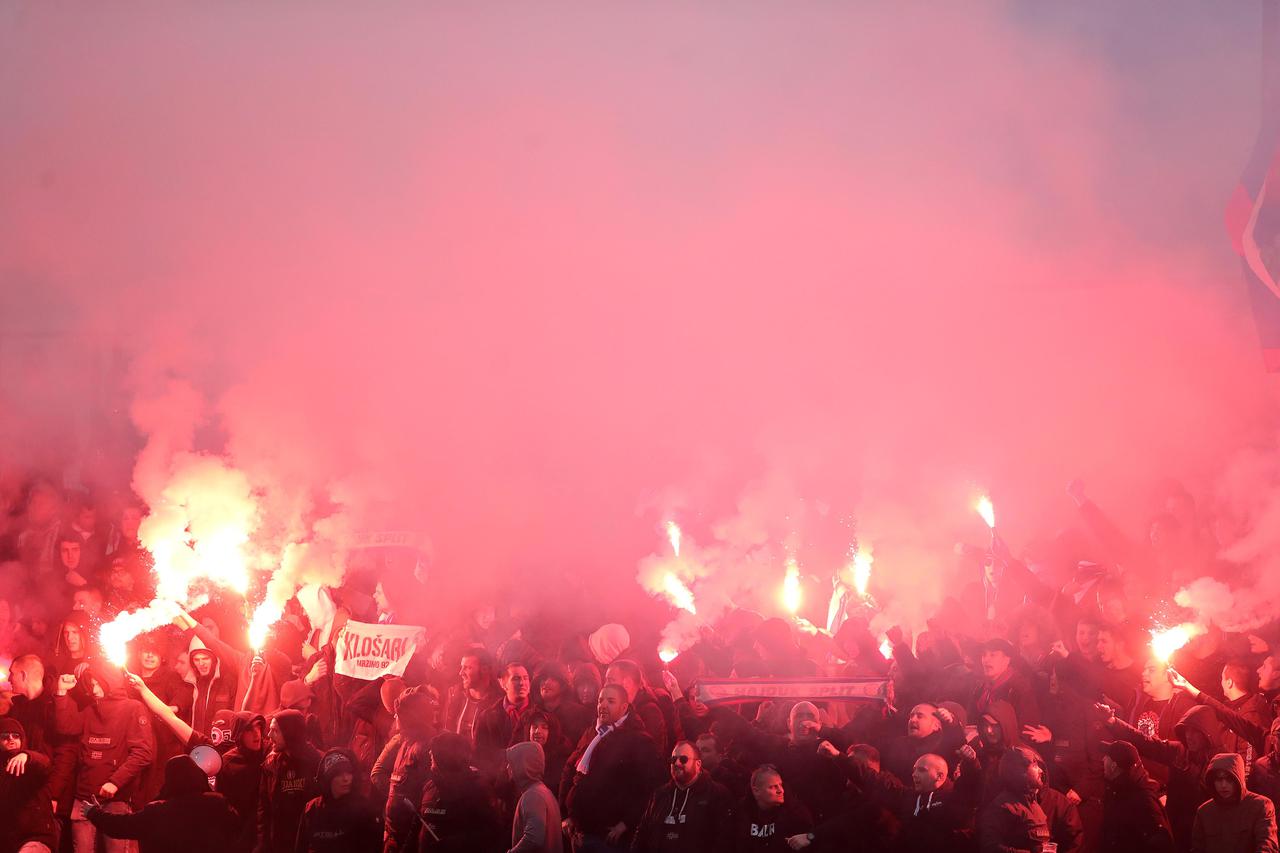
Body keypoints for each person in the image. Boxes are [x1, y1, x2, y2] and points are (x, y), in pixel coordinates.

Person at [53, 663, 155, 853]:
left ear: (110, 682)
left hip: (117, 800)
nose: (93, 689)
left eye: (98, 683)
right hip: (84, 797)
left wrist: (115, 782)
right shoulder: (91, 710)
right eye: (91, 684)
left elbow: (143, 753)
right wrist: (61, 693)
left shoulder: (133, 708)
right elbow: (65, 727)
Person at [563, 683, 665, 850]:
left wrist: (627, 823)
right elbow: (570, 771)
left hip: (611, 838)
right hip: (580, 832)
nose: (602, 705)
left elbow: (652, 788)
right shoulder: (592, 733)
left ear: (624, 707)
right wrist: (567, 814)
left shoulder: (639, 741)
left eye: (610, 701)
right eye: (600, 700)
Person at [86, 755, 238, 853]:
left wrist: (93, 812)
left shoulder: (157, 812)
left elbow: (120, 826)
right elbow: (236, 831)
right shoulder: (218, 804)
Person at [632, 741, 734, 853]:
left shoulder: (716, 794)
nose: (677, 763)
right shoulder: (660, 794)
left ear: (698, 764)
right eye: (673, 759)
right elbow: (643, 832)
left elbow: (724, 840)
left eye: (683, 759)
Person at [417, 731, 504, 851]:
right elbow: (417, 825)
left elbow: (491, 832)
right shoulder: (430, 786)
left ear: (446, 756)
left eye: (435, 750)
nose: (430, 753)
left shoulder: (476, 789)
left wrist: (452, 843)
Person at [255, 710, 322, 853]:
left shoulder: (317, 762)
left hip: (307, 844)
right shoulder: (271, 763)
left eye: (275, 731)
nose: (268, 735)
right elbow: (264, 809)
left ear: (290, 732)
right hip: (278, 845)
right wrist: (263, 844)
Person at [294, 748, 382, 853]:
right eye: (339, 774)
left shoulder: (363, 809)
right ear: (328, 778)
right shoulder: (312, 809)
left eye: (349, 773)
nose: (346, 779)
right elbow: (301, 847)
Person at [1191, 753, 1278, 853]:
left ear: (1238, 779)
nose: (1223, 785)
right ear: (1212, 781)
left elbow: (1268, 846)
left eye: (1229, 779)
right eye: (1219, 779)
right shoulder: (1204, 812)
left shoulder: (1261, 806)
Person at [1099, 740, 1173, 853]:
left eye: (1106, 756)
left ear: (1114, 765)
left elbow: (1161, 843)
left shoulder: (1143, 799)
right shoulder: (1116, 791)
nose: (1103, 759)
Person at [0, 716, 59, 853]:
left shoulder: (31, 763)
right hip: (8, 838)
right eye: (5, 737)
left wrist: (26, 756)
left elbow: (45, 765)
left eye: (16, 736)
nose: (11, 740)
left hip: (36, 837)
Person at [977, 745, 1050, 853]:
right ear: (1020, 772)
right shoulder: (1002, 807)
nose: (1041, 771)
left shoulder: (1034, 805)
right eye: (1034, 765)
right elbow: (989, 847)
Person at [730, 765, 811, 852]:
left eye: (780, 785)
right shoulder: (740, 812)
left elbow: (812, 835)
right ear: (756, 791)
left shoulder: (794, 810)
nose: (781, 790)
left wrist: (810, 837)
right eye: (773, 787)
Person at [506, 741, 563, 853]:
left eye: (511, 763)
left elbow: (533, 839)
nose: (507, 767)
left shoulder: (533, 796)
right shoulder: (543, 791)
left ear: (522, 766)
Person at [474, 663, 534, 768]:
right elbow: (480, 754)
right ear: (503, 684)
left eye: (525, 678)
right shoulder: (487, 717)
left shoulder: (540, 714)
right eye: (516, 679)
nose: (522, 683)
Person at [971, 638, 1040, 731]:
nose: (986, 660)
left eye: (993, 655)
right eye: (984, 655)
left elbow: (1028, 730)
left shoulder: (1020, 689)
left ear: (1006, 660)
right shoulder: (980, 688)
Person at [444, 649, 501, 744]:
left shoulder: (499, 703)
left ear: (485, 670)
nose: (461, 673)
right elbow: (446, 732)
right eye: (461, 667)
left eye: (467, 668)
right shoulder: (455, 694)